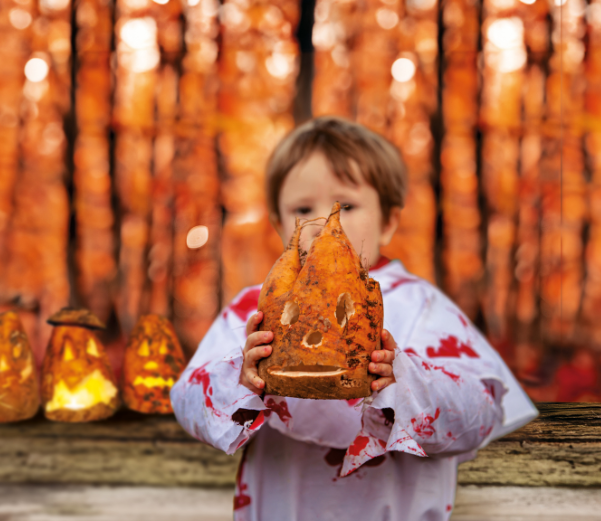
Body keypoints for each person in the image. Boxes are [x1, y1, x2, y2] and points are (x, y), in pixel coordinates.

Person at [171, 116, 538, 520]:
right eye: (302, 208)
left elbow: (479, 412)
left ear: (389, 222)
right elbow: (189, 399)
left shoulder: (422, 305)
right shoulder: (252, 310)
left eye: (346, 205)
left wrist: (406, 382)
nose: (327, 223)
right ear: (278, 224)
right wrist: (238, 378)